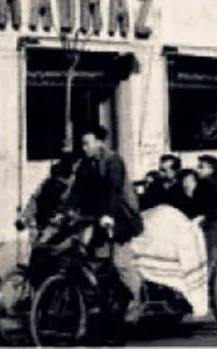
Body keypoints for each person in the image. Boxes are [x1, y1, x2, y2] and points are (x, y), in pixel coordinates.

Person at [68, 125, 144, 318]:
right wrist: (68, 210)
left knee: (120, 263)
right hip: (98, 218)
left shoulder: (113, 161)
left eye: (87, 143)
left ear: (99, 142)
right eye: (82, 144)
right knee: (87, 256)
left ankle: (137, 300)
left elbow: (113, 190)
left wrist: (109, 215)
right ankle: (100, 300)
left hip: (122, 216)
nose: (84, 148)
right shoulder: (86, 164)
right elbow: (78, 189)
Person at [18, 156, 73, 233]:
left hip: (63, 226)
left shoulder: (71, 188)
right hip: (46, 222)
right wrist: (25, 218)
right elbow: (35, 199)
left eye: (60, 180)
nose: (57, 183)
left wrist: (63, 215)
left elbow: (70, 208)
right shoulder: (48, 185)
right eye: (55, 179)